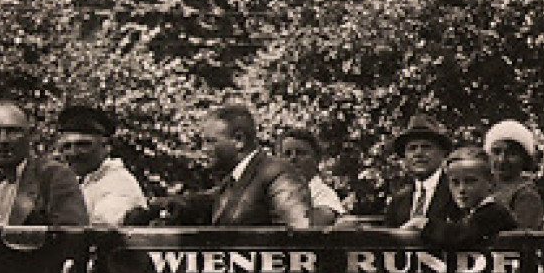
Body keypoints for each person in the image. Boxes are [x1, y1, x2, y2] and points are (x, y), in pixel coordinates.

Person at [153, 104, 311, 227]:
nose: (203, 149)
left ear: (239, 140)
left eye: (210, 142)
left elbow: (297, 238)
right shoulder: (233, 181)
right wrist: (162, 205)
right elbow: (205, 200)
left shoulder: (279, 174)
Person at [0, 101, 88, 226]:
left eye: (12, 131)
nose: (3, 140)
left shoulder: (54, 179)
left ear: (30, 135)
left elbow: (72, 240)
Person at [55, 104, 148, 227]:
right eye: (66, 146)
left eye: (83, 145)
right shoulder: (80, 181)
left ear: (106, 146)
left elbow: (99, 231)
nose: (73, 153)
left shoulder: (118, 183)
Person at [420, 147, 520, 249]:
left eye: (470, 181)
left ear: (490, 182)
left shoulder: (494, 213)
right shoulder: (467, 214)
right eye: (455, 182)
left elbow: (460, 236)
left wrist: (424, 225)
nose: (461, 189)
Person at [381, 114, 457, 228]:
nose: (418, 154)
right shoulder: (398, 200)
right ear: (405, 157)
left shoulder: (457, 192)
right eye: (412, 148)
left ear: (442, 153)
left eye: (426, 147)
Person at [483, 119, 544, 229]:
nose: (502, 160)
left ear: (524, 158)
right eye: (496, 152)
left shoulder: (526, 195)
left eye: (512, 153)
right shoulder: (483, 187)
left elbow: (521, 239)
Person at [278, 127, 346, 227]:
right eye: (287, 154)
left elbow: (316, 223)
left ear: (316, 159)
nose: (293, 158)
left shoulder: (322, 193)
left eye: (300, 153)